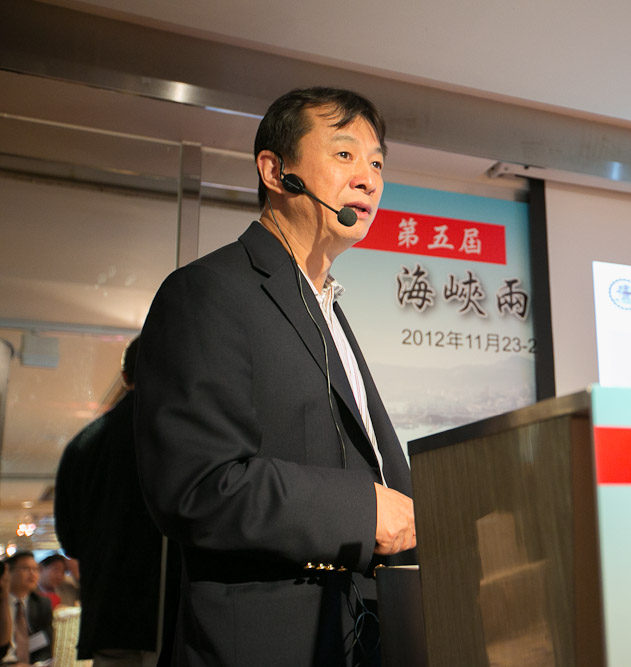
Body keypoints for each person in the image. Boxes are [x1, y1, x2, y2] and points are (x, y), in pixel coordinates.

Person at [134, 87, 417, 667]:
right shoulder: (207, 291)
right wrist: (364, 512)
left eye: (377, 163)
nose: (368, 179)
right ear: (275, 171)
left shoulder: (325, 306)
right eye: (345, 155)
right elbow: (199, 485)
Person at [55, 337, 164, 666]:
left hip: (107, 615)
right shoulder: (176, 437)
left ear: (124, 376)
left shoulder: (81, 445)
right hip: (163, 613)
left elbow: (70, 540)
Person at [2, 552, 52, 665]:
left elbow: (46, 644)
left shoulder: (41, 603)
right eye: (26, 569)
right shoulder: (2, 602)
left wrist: (37, 665)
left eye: (36, 569)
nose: (32, 574)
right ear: (7, 572)